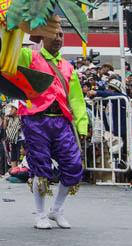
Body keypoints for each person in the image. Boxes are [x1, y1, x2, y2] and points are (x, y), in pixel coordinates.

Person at [14, 29, 87, 229]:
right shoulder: (29, 56)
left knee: (73, 165)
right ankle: (40, 214)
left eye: (61, 35)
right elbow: (11, 51)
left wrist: (82, 124)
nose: (58, 38)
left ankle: (57, 210)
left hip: (61, 121)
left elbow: (76, 99)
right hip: (35, 120)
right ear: (42, 36)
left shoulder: (67, 67)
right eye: (54, 34)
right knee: (41, 167)